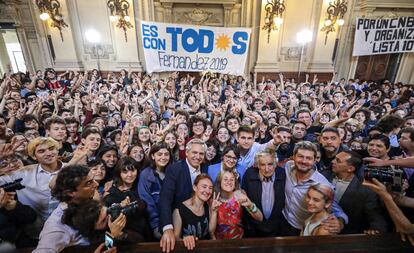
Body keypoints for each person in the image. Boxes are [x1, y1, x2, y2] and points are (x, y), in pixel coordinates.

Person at [281, 141, 348, 236]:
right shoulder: (288, 166)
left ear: (314, 160)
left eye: (308, 158)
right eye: (300, 156)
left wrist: (340, 222)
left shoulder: (322, 184)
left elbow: (337, 210)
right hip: (284, 220)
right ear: (294, 157)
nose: (304, 161)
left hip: (302, 229)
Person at [33, 165, 99, 252]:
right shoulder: (57, 227)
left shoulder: (87, 201)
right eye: (89, 183)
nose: (96, 184)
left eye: (94, 180)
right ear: (71, 193)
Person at [159, 139, 208, 253]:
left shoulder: (206, 168)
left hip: (200, 223)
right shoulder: (174, 169)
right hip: (179, 224)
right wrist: (168, 228)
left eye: (201, 153)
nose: (197, 156)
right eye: (194, 152)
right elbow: (165, 198)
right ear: (186, 153)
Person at [323, 150, 387, 234]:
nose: (332, 161)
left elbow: (375, 217)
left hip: (347, 236)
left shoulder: (365, 190)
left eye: (338, 161)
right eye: (335, 158)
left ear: (350, 168)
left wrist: (375, 230)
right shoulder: (324, 177)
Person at [104, 157, 151, 242]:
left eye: (132, 171)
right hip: (122, 235)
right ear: (119, 173)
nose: (130, 175)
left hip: (144, 233)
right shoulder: (112, 192)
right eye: (125, 172)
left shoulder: (141, 187)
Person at [242, 150, 286, 237]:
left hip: (276, 228)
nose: (266, 169)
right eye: (262, 165)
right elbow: (245, 201)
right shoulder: (249, 174)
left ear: (275, 164)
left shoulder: (283, 174)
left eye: (270, 164)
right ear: (257, 165)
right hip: (253, 227)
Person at [210, 170, 263, 239]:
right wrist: (214, 211)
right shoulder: (214, 200)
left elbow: (260, 218)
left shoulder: (240, 195)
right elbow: (211, 231)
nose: (229, 182)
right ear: (220, 182)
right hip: (220, 243)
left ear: (235, 183)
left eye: (232, 180)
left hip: (239, 242)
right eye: (225, 179)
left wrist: (250, 205)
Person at [138, 142, 172, 239]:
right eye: (159, 154)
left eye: (166, 154)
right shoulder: (145, 175)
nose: (163, 157)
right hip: (154, 223)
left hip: (172, 220)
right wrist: (156, 226)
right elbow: (147, 203)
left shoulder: (173, 172)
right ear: (153, 156)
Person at [172, 174, 212, 250]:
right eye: (204, 187)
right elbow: (175, 237)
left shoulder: (208, 207)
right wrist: (185, 239)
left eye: (210, 188)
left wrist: (214, 211)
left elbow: (211, 232)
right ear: (194, 187)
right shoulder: (179, 210)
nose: (207, 191)